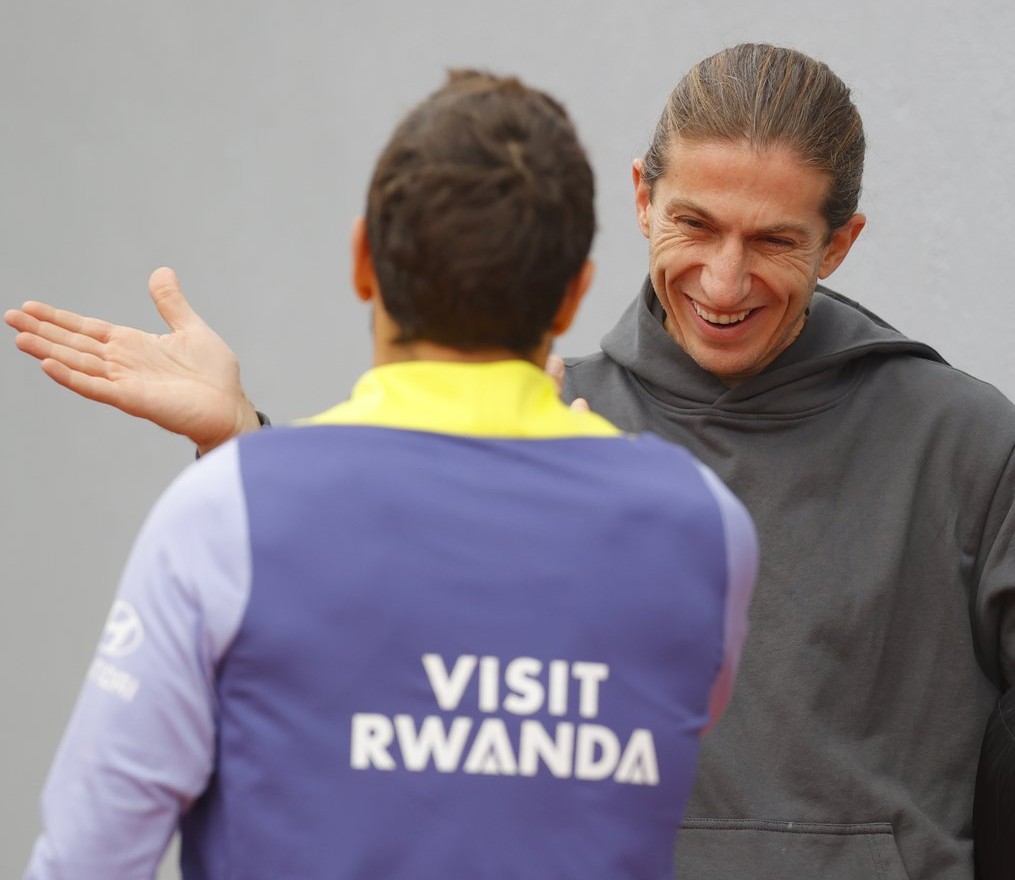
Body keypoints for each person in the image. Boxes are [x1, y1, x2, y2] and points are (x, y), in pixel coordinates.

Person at [8, 43, 1014, 879]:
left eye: (773, 241)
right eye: (695, 224)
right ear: (635, 204)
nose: (722, 278)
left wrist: (252, 481)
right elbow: (415, 637)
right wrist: (252, 444)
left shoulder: (962, 443)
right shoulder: (656, 489)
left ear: (838, 243)